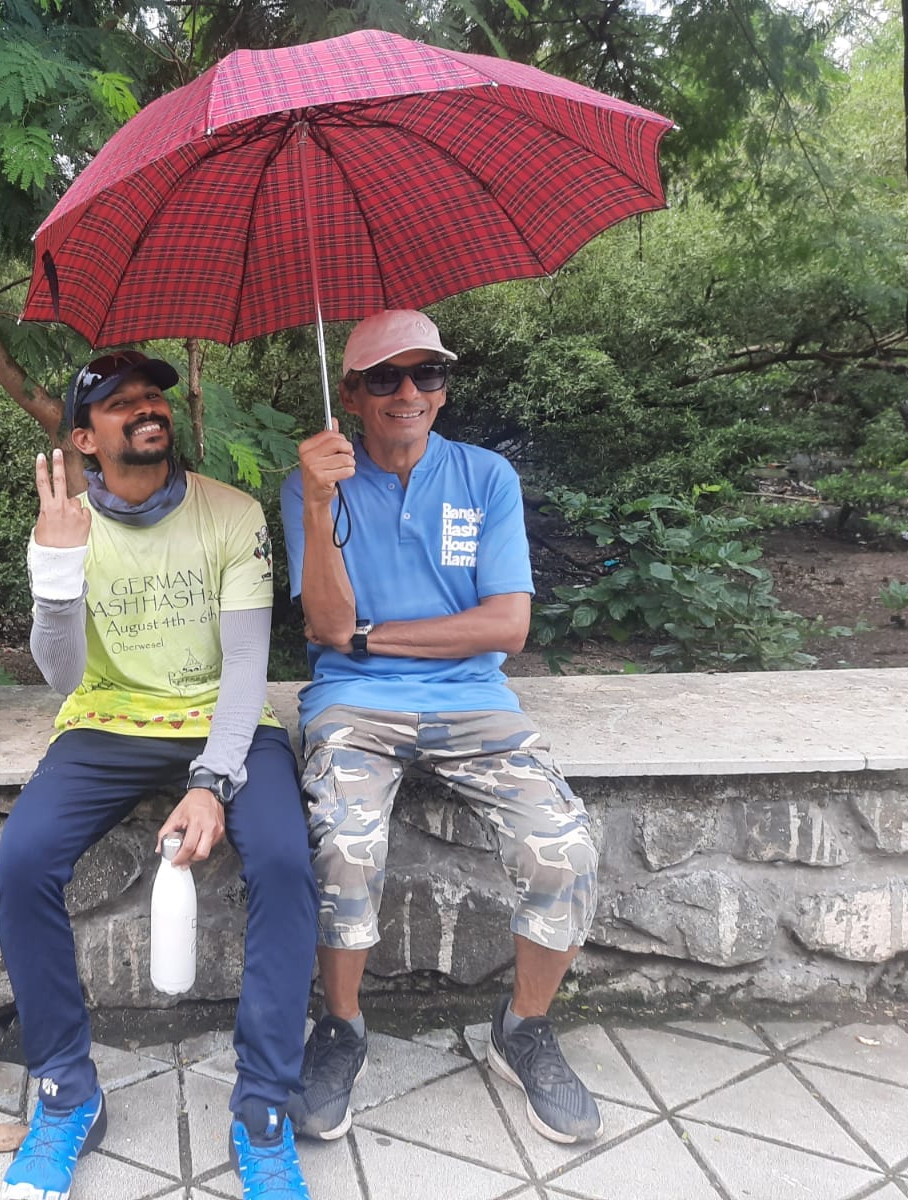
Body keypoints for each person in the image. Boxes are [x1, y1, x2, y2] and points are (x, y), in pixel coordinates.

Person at [0, 351, 319, 1200]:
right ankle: (66, 1093)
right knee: (21, 861)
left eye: (154, 397)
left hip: (225, 720)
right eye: (120, 402)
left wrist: (212, 780)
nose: (147, 408)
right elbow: (62, 678)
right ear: (83, 439)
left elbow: (246, 664)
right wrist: (56, 571)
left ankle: (263, 1107)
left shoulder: (232, 513)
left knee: (286, 860)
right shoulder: (63, 526)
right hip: (107, 721)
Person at [278, 309, 602, 1146]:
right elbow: (326, 625)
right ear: (351, 392)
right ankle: (341, 1028)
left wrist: (371, 635)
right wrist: (319, 503)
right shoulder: (312, 482)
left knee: (565, 849)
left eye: (426, 373)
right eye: (385, 376)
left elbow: (506, 627)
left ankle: (523, 1028)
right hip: (354, 705)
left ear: (445, 387)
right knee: (343, 850)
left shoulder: (486, 477)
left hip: (475, 703)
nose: (408, 392)